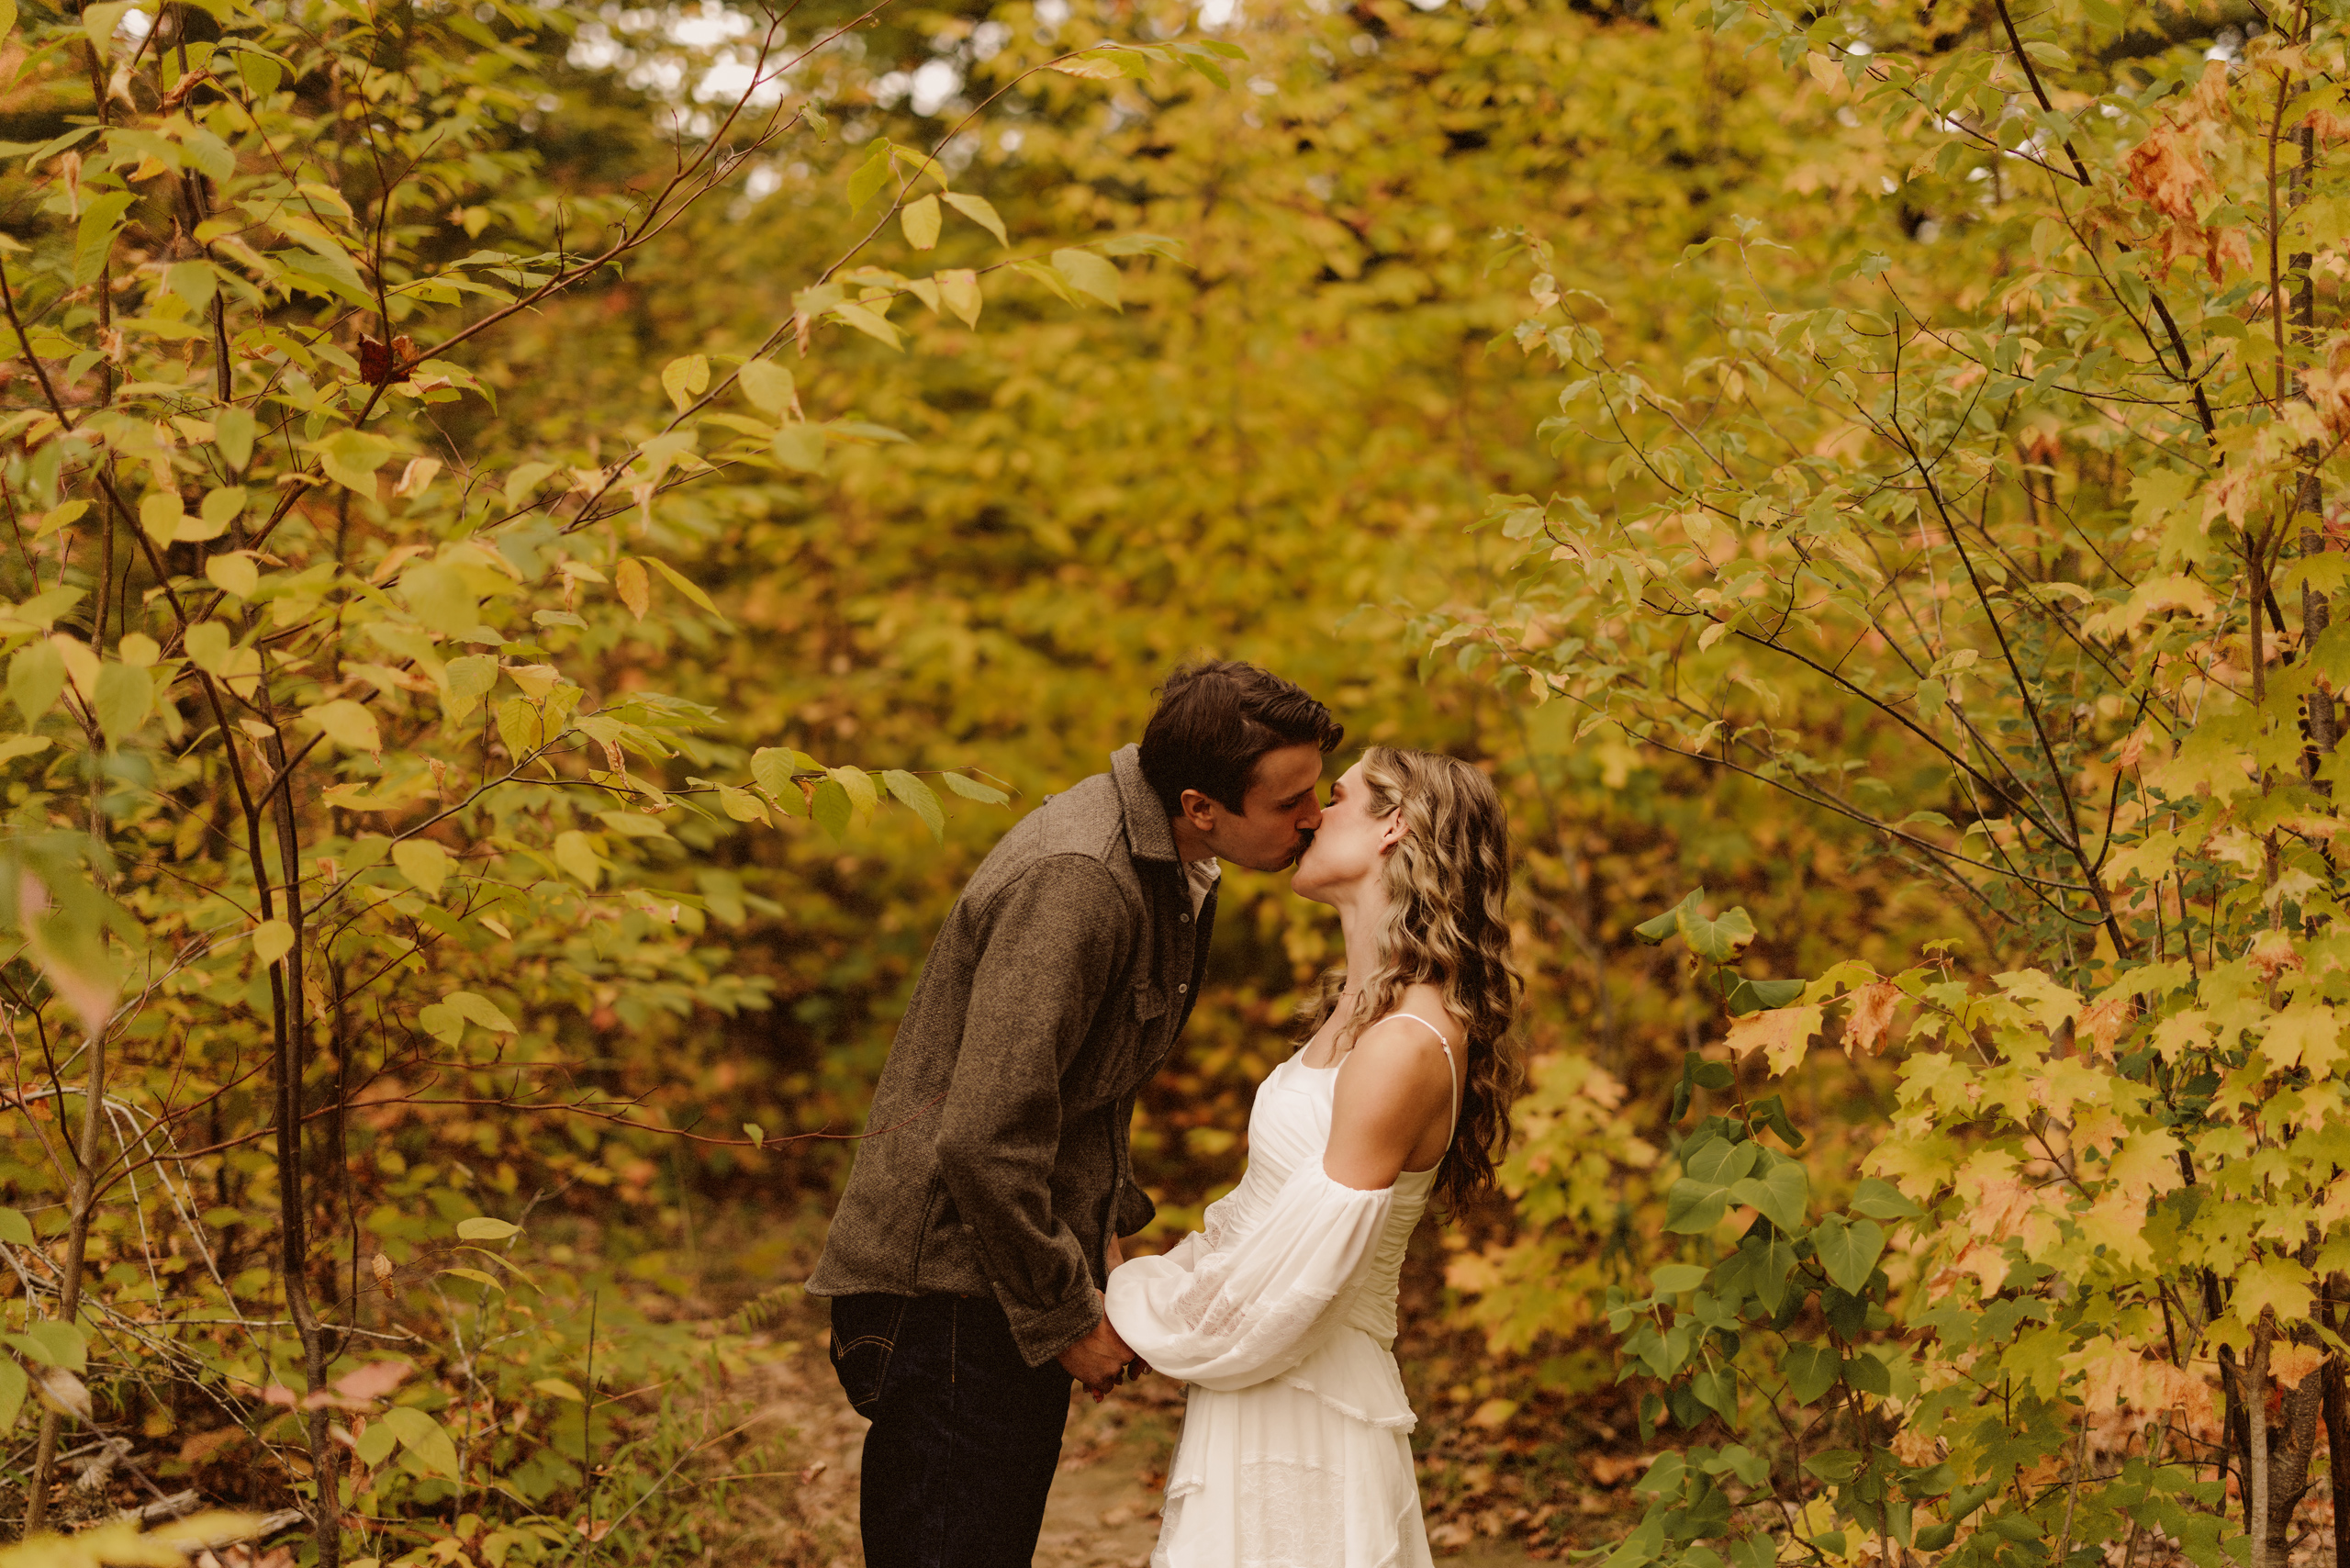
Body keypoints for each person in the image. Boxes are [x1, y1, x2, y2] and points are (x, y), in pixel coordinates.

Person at [807, 660, 1344, 1568]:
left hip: (998, 1276)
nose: (1314, 816)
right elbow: (985, 1136)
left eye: (1317, 790)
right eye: (1290, 800)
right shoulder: (1081, 880)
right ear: (1199, 804)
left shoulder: (1170, 861)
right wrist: (1066, 1317)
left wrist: (1100, 1249)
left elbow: (1078, 1096)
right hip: (947, 1295)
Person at [1106, 747, 1524, 1568]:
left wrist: (1127, 1302)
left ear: (1393, 828)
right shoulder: (1360, 1012)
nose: (1308, 815)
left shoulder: (1405, 1042)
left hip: (1309, 1408)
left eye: (1334, 798)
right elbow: (1261, 1224)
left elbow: (1289, 1276)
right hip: (1268, 1387)